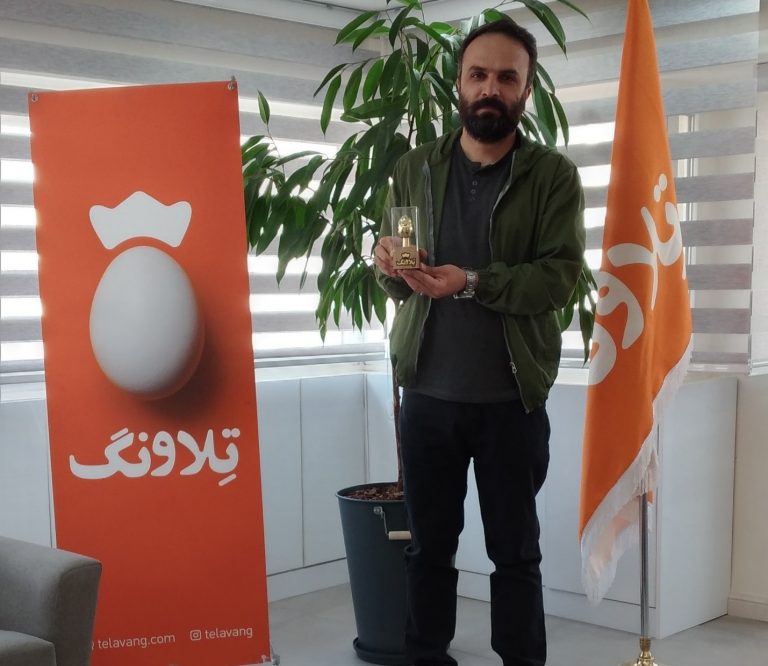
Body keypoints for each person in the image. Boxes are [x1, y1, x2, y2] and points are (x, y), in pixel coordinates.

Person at [373, 16, 585, 666]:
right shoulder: (415, 168)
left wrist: (471, 282)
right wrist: (388, 266)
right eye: (479, 74)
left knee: (514, 554)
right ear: (459, 84)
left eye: (507, 77)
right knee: (427, 549)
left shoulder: (551, 176)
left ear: (526, 89)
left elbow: (558, 279)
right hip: (427, 397)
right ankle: (424, 656)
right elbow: (402, 282)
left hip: (510, 403)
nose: (491, 88)